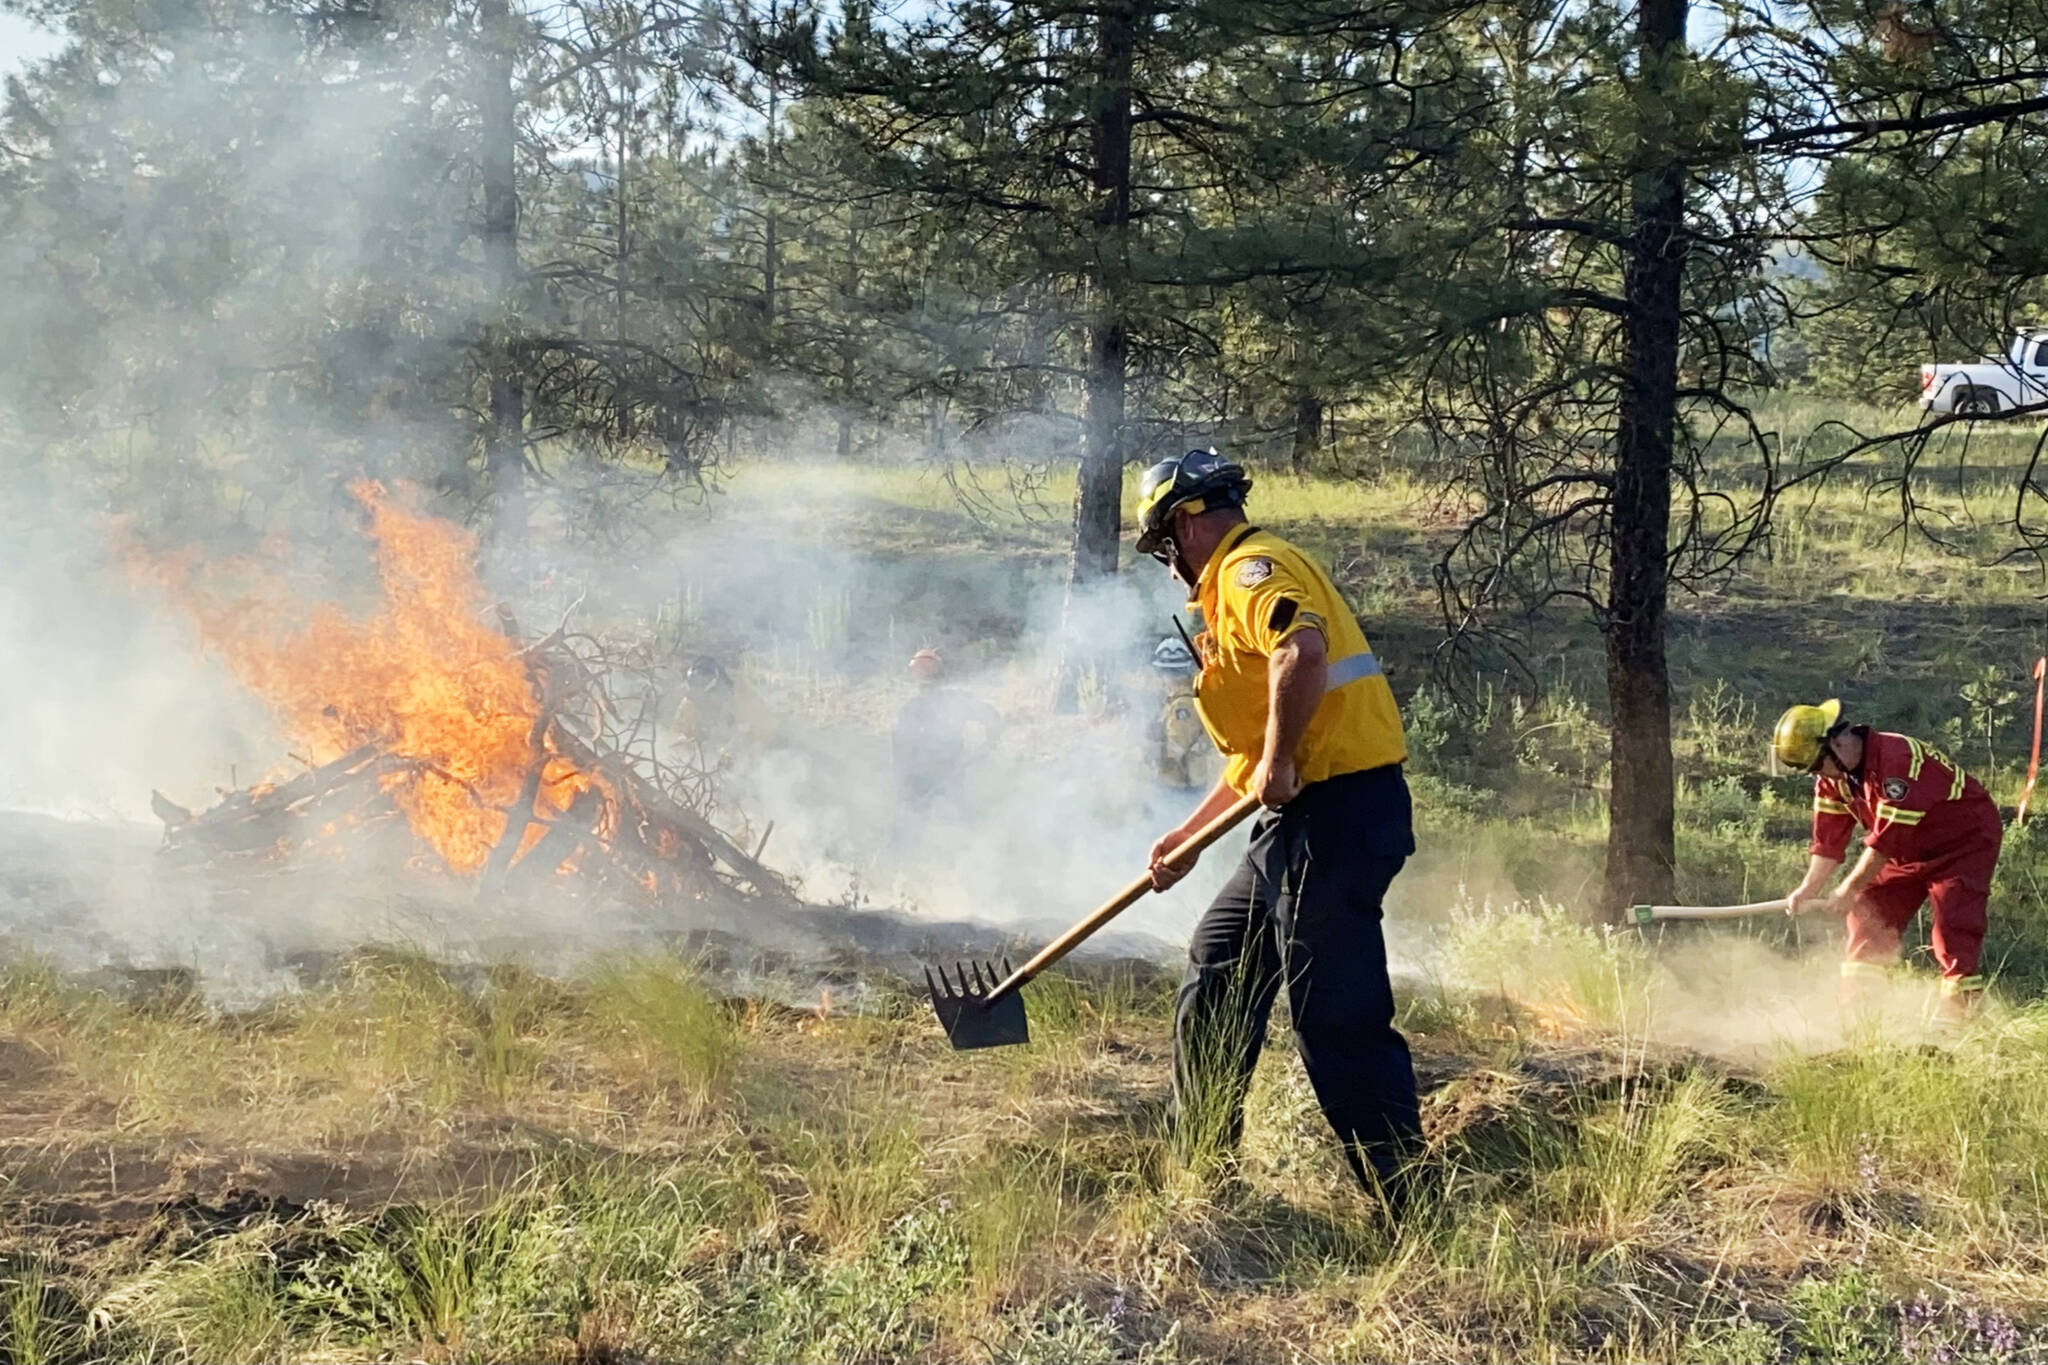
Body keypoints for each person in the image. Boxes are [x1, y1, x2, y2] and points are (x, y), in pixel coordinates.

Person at [1138, 448, 1419, 1210]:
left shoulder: (1250, 568)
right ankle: (1204, 1169)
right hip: (1297, 816)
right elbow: (1254, 765)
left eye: (1166, 545)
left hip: (1342, 811)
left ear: (1190, 524)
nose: (1169, 567)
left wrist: (1282, 758)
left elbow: (1303, 650)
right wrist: (1189, 837)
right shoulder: (1225, 601)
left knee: (1335, 1012)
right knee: (1220, 961)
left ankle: (1411, 1201)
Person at [1775, 699, 2003, 1023]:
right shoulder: (1832, 779)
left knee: (1952, 930)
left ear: (1837, 743)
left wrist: (1849, 888)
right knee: (1868, 915)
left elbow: (1885, 839)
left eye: (1815, 765)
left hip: (1962, 846)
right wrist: (1807, 888)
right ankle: (1859, 1021)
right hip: (1905, 851)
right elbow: (1828, 843)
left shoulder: (1898, 761)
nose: (1816, 775)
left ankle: (1963, 1024)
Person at [892, 648, 1002, 813]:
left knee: (946, 822)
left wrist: (987, 746)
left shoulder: (954, 701)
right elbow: (900, 750)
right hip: (920, 781)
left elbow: (992, 719)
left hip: (947, 776)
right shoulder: (912, 708)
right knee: (925, 823)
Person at [1147, 635, 1216, 790]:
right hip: (1179, 782)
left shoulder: (1183, 705)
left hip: (1181, 784)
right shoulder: (1175, 700)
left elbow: (1177, 747)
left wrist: (1146, 749)